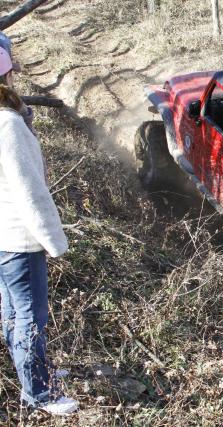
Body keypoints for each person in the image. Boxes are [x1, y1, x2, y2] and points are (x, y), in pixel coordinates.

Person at [0, 47, 79, 415]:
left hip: (2, 236)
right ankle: (40, 394)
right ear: (7, 77)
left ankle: (35, 371)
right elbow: (29, 189)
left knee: (12, 312)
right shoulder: (8, 125)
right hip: (18, 237)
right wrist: (53, 240)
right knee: (30, 317)